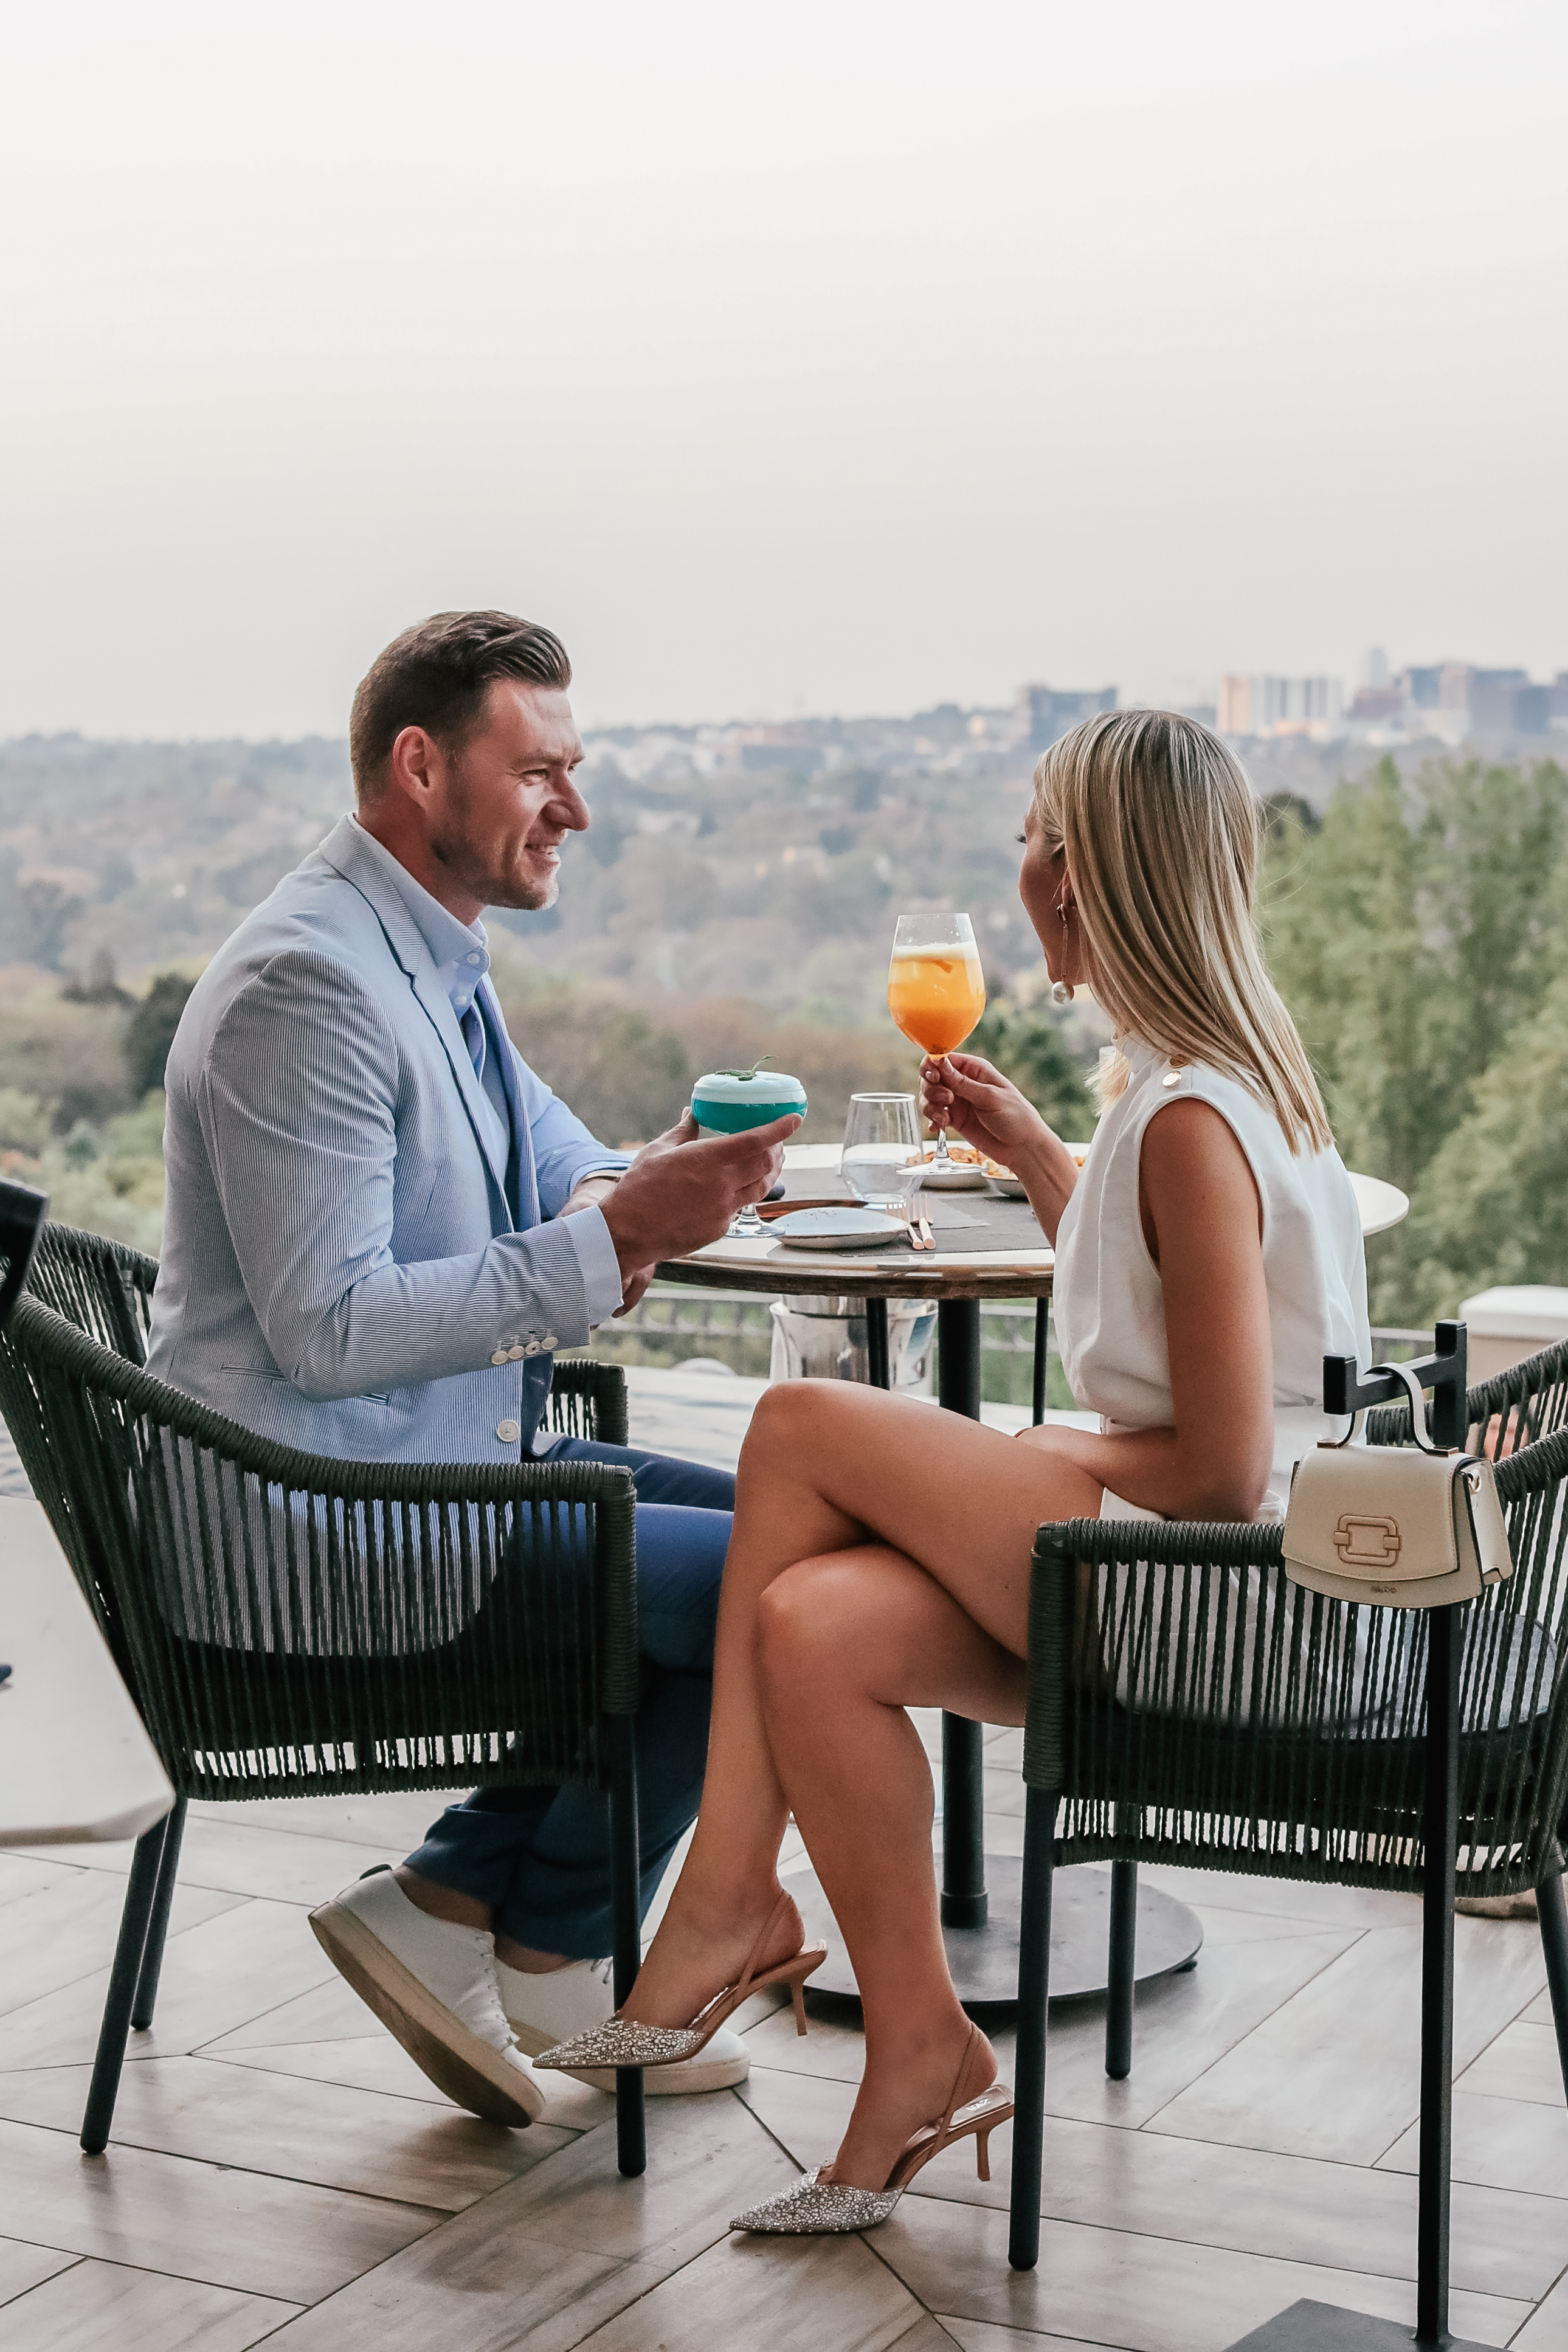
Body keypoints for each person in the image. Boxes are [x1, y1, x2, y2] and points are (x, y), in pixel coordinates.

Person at [534, 707, 1372, 2229]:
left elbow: (1218, 1463)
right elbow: (1169, 1317)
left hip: (1227, 1604)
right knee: (809, 1627)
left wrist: (1042, 1447)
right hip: (1210, 1585)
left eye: (1033, 839)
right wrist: (1043, 1155)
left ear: (1084, 875)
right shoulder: (1209, 1085)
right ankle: (920, 2045)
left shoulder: (1191, 1118)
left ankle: (724, 1895)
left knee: (797, 1429)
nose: (1022, 867)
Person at [148, 610, 799, 2126]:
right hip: (314, 1520)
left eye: (575, 767)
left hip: (424, 1465)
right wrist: (615, 1235)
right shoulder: (308, 985)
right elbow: (329, 1329)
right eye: (541, 770)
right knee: (779, 1595)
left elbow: (560, 1158)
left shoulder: (425, 949)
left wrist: (646, 1183)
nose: (577, 807)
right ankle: (557, 1943)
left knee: (796, 1527)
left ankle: (454, 1901)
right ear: (421, 766)